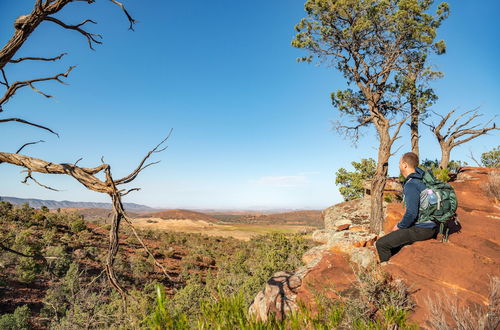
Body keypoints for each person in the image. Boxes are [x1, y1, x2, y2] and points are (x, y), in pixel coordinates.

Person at [375, 152, 438, 262]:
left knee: (381, 244)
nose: (398, 166)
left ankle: (387, 271)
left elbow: (411, 213)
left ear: (404, 165)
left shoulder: (411, 184)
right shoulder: (422, 180)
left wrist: (399, 226)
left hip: (422, 229)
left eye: (399, 163)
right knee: (396, 242)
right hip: (431, 225)